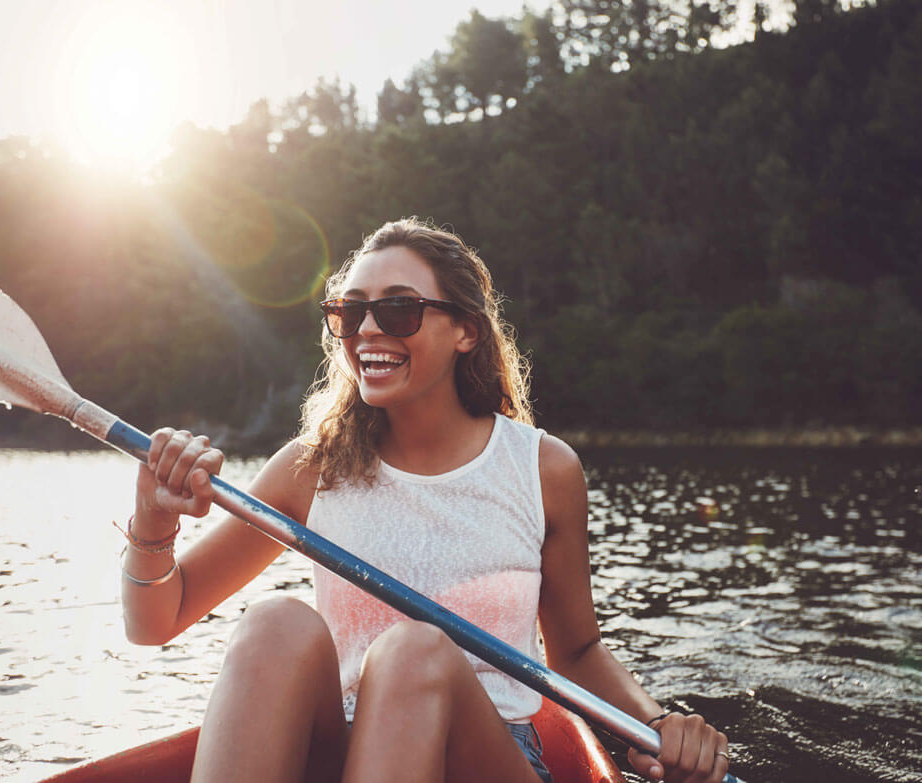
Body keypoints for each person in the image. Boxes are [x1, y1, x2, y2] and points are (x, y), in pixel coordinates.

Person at [118, 217, 731, 783]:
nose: (368, 331)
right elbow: (156, 622)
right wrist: (154, 519)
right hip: (344, 755)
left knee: (417, 650)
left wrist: (657, 724)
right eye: (350, 312)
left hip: (491, 757)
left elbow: (576, 651)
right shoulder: (313, 467)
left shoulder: (543, 468)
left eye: (399, 309)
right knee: (274, 622)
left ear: (466, 330)